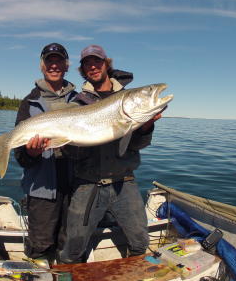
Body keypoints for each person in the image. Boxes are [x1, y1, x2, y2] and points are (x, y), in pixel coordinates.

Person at [59, 44, 162, 263]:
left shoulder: (126, 99)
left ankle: (133, 275)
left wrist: (145, 127)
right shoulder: (78, 103)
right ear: (83, 70)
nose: (93, 66)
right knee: (72, 249)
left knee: (141, 242)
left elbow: (136, 146)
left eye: (97, 61)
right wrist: (64, 144)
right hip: (88, 184)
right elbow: (72, 154)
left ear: (106, 64)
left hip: (124, 182)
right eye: (87, 63)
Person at [14, 42, 77, 261]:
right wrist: (31, 153)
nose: (54, 65)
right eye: (49, 61)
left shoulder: (81, 101)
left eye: (59, 60)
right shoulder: (28, 103)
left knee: (69, 246)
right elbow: (21, 157)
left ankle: (63, 275)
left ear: (66, 65)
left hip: (74, 188)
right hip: (41, 188)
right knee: (40, 247)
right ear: (42, 66)